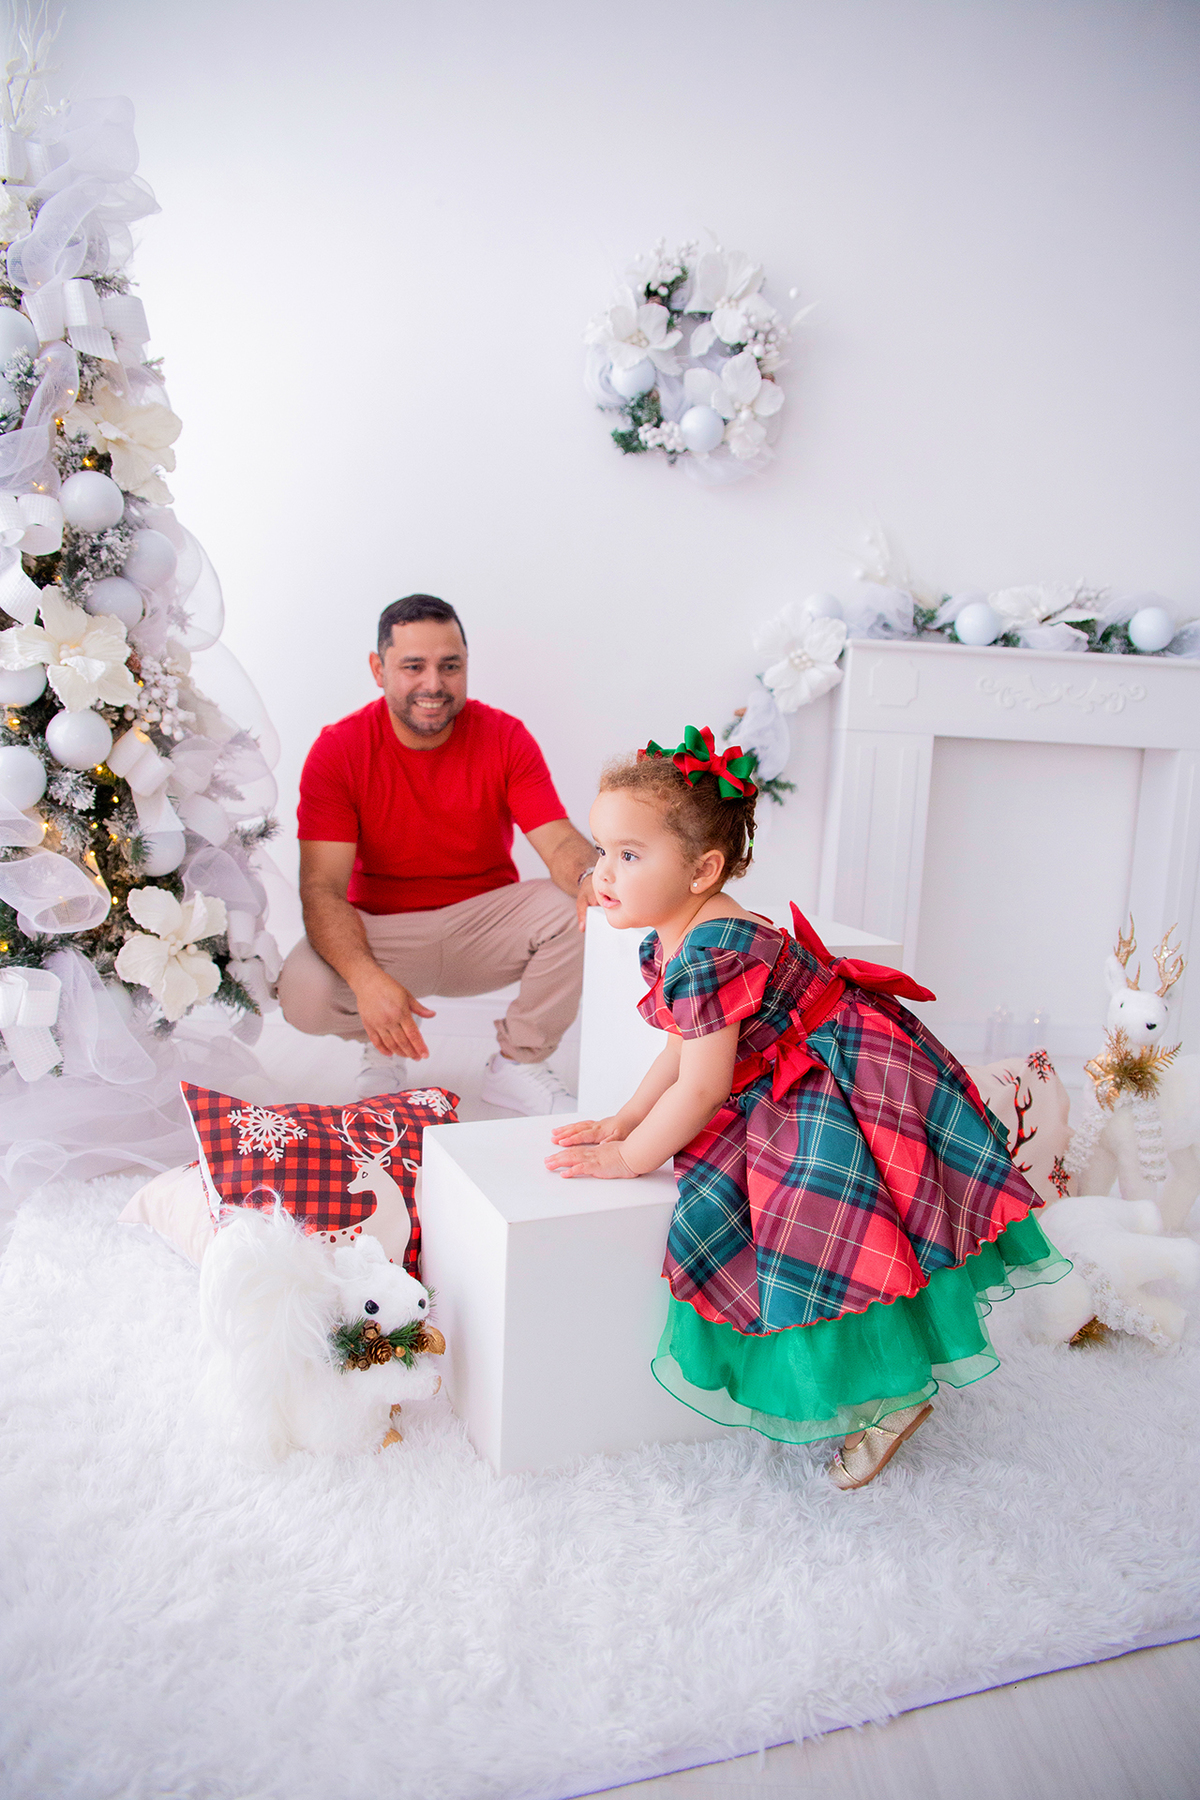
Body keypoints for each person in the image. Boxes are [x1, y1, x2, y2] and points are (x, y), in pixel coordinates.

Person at [545, 725, 1069, 1488]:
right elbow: (681, 1052)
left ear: (703, 869)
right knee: (847, 1218)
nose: (603, 873)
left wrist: (631, 1158)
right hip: (831, 1048)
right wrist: (626, 1118)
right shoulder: (680, 935)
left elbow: (704, 1086)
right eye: (602, 850)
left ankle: (888, 1396)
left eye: (629, 855)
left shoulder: (706, 952)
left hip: (839, 1073)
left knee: (822, 1223)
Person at [278, 594, 597, 1115]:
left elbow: (559, 841)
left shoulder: (505, 736)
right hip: (383, 934)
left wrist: (589, 878)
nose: (434, 684)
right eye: (413, 667)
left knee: (580, 906)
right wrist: (367, 982)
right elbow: (321, 888)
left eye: (450, 666)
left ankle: (518, 1063)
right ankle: (382, 1046)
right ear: (378, 670)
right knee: (302, 991)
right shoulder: (339, 750)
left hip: (483, 927)